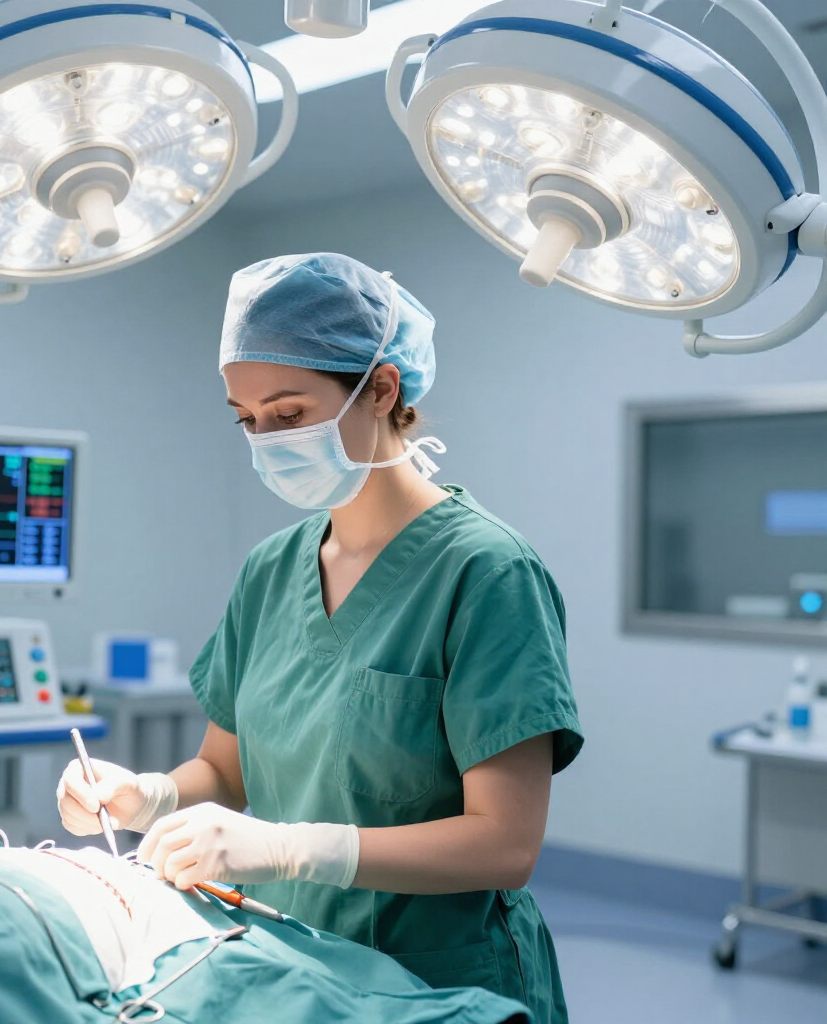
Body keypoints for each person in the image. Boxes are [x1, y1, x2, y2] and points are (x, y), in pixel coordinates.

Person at [58, 253, 583, 1023]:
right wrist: (148, 796)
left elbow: (505, 845)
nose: (266, 439)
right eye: (247, 419)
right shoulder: (271, 570)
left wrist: (288, 849)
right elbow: (225, 771)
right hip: (289, 968)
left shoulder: (487, 573)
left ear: (382, 389)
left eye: (289, 413)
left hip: (438, 986)